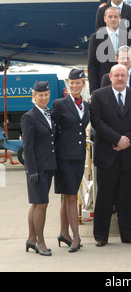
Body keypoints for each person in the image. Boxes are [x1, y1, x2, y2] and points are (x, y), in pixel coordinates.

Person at [90, 64, 131, 246]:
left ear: (127, 76)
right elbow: (97, 122)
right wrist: (117, 139)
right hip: (108, 154)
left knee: (127, 197)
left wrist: (126, 140)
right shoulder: (99, 96)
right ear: (110, 76)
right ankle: (101, 235)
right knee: (105, 197)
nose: (120, 78)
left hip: (130, 154)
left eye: (123, 75)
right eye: (117, 75)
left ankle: (127, 235)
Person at [51, 69, 90, 253]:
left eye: (78, 83)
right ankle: (75, 237)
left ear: (83, 84)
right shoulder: (59, 104)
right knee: (72, 196)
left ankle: (63, 233)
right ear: (68, 85)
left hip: (79, 156)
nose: (74, 86)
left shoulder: (87, 105)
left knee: (67, 196)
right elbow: (51, 130)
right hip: (64, 157)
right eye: (71, 83)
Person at [21, 81, 56, 256]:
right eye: (40, 95)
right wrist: (32, 170)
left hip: (48, 165)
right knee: (42, 204)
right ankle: (40, 242)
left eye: (46, 94)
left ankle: (31, 239)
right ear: (33, 97)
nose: (44, 98)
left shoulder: (47, 113)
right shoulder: (29, 116)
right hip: (37, 168)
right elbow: (28, 147)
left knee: (36, 204)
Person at [88, 6, 131, 93]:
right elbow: (92, 65)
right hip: (104, 85)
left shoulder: (129, 37)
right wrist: (93, 90)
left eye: (116, 17)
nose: (113, 19)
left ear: (120, 19)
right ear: (105, 19)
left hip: (125, 83)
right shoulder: (96, 37)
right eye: (110, 17)